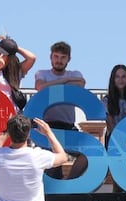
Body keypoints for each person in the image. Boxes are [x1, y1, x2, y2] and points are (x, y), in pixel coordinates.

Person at [34, 41, 87, 180]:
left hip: (68, 127)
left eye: (63, 57)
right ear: (50, 57)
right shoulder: (42, 73)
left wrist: (54, 85)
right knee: (53, 170)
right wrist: (66, 80)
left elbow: (81, 83)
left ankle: (67, 185)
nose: (59, 60)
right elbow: (40, 87)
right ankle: (55, 195)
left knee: (88, 155)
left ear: (68, 59)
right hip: (48, 128)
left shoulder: (75, 73)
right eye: (56, 56)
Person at [0, 38, 36, 113]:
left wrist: (14, 47)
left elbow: (31, 58)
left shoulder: (16, 68)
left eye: (1, 52)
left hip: (12, 110)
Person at [102, 64, 126, 192]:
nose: (120, 79)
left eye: (124, 76)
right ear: (113, 79)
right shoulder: (107, 100)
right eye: (117, 77)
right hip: (114, 140)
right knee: (117, 175)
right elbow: (109, 123)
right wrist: (119, 139)